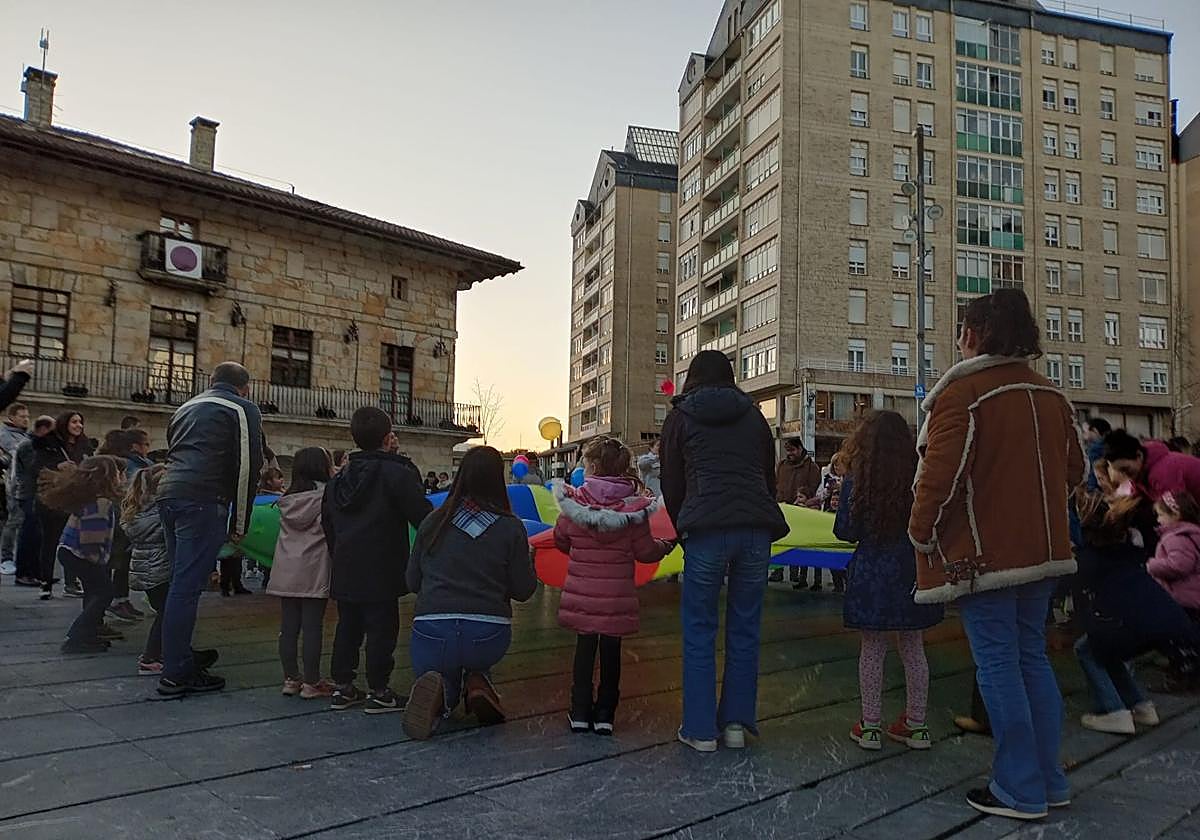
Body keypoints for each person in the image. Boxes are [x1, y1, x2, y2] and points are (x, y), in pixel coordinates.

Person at [909, 289, 1084, 821]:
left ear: (973, 333)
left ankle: (1018, 787)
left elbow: (937, 479)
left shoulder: (964, 395)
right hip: (1043, 552)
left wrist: (921, 534)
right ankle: (1049, 779)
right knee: (1031, 657)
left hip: (981, 557)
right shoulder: (1052, 396)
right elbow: (1073, 472)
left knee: (999, 665)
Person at [661, 350, 789, 752]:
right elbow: (768, 478)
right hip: (756, 531)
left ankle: (700, 731)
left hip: (706, 530)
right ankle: (735, 724)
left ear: (692, 378)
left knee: (700, 628)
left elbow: (671, 481)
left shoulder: (680, 417)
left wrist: (685, 523)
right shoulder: (754, 417)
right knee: (745, 626)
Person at [402, 446, 537, 740]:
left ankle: (443, 696)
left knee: (441, 663)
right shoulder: (510, 527)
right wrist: (530, 560)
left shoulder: (432, 522)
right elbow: (524, 590)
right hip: (487, 635)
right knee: (474, 655)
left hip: (432, 632)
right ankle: (477, 681)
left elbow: (412, 581)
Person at [837, 412, 944, 751]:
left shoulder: (858, 481)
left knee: (872, 649)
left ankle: (869, 726)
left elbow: (844, 531)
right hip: (912, 571)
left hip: (871, 571)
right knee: (913, 648)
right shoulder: (919, 479)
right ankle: (916, 724)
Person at [156, 362, 264, 698]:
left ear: (212, 381)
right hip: (203, 500)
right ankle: (175, 672)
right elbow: (249, 465)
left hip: (169, 494)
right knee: (186, 588)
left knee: (179, 583)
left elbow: (175, 451)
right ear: (244, 387)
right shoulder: (242, 408)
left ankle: (178, 653)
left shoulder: (185, 408)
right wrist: (241, 522)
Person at [554, 437, 672, 735]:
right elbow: (645, 552)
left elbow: (561, 539)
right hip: (616, 597)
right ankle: (605, 715)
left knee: (584, 653)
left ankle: (580, 712)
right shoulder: (634, 510)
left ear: (592, 466)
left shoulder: (573, 504)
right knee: (611, 655)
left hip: (583, 596)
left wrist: (581, 554)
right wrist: (665, 546)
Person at [324, 407, 432, 714]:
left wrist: (339, 550)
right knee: (382, 629)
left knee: (348, 626)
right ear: (388, 438)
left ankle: (343, 686)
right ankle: (379, 689)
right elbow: (422, 515)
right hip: (383, 563)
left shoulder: (338, 480)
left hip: (346, 563)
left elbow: (327, 521)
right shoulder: (396, 473)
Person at [1072, 482, 1197, 735]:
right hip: (1165, 618)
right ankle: (1140, 705)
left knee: (1087, 649)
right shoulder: (1129, 545)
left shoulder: (1090, 558)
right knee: (1105, 648)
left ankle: (1113, 711)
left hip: (1132, 623)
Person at [266, 447, 336, 699]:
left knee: (288, 627)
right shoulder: (327, 495)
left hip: (287, 566)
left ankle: (290, 679)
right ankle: (312, 682)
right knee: (312, 627)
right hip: (315, 566)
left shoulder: (287, 497)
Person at [39, 456, 126, 653]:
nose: (122, 477)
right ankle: (77, 636)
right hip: (82, 553)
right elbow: (91, 537)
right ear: (108, 477)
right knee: (105, 591)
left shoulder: (90, 498)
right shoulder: (101, 502)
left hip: (71, 551)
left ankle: (89, 633)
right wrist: (96, 561)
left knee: (93, 591)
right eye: (118, 473)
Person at [35, 412, 86, 600]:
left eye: (80, 422)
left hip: (74, 500)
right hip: (52, 501)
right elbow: (36, 467)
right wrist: (58, 466)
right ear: (65, 424)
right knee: (50, 542)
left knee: (73, 543)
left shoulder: (84, 445)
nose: (78, 425)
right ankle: (45, 582)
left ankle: (71, 582)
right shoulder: (49, 444)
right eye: (74, 421)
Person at [224, 467, 284, 595]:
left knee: (234, 554)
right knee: (232, 555)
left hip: (252, 533)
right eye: (278, 478)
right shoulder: (268, 498)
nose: (282, 480)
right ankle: (228, 584)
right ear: (269, 481)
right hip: (253, 532)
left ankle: (233, 584)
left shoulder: (275, 496)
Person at [771, 439, 820, 588]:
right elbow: (776, 484)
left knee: (798, 543)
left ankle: (796, 573)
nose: (790, 454)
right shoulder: (782, 466)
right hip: (782, 508)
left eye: (792, 450)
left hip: (801, 510)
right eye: (788, 451)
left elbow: (813, 488)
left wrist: (805, 502)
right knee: (780, 540)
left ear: (800, 449)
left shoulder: (811, 467)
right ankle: (777, 571)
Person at [12, 416, 54, 589]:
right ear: (43, 429)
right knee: (29, 534)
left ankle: (36, 572)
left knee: (38, 536)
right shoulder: (29, 445)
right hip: (29, 493)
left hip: (38, 494)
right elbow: (35, 468)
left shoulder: (38, 445)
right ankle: (23, 573)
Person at [1104, 429, 1200, 503]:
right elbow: (1137, 494)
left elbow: (1177, 510)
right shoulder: (1142, 472)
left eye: (1125, 469)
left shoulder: (1162, 473)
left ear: (1138, 455)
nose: (1124, 474)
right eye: (1119, 471)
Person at [1147, 491, 1200, 617]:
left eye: (1160, 515)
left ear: (1175, 515)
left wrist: (1152, 565)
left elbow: (1180, 565)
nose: (1158, 520)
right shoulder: (1190, 532)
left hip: (1183, 598)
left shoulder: (1176, 537)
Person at [0, 402, 31, 578]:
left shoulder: (24, 435)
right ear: (12, 417)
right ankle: (6, 559)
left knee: (26, 523)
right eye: (22, 416)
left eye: (27, 416)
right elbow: (16, 453)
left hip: (27, 485)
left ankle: (22, 559)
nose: (26, 419)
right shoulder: (5, 435)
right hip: (14, 485)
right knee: (14, 520)